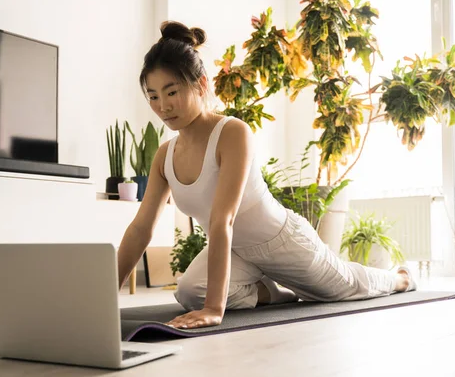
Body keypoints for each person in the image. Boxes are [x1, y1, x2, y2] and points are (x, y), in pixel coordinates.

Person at [117, 20, 416, 330]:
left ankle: (399, 279)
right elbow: (141, 228)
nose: (163, 106)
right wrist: (104, 298)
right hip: (236, 251)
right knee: (191, 291)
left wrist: (214, 309)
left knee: (343, 287)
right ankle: (273, 293)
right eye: (153, 96)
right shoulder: (165, 155)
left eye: (171, 92)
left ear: (201, 85)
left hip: (281, 241)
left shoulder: (232, 133)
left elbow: (223, 220)